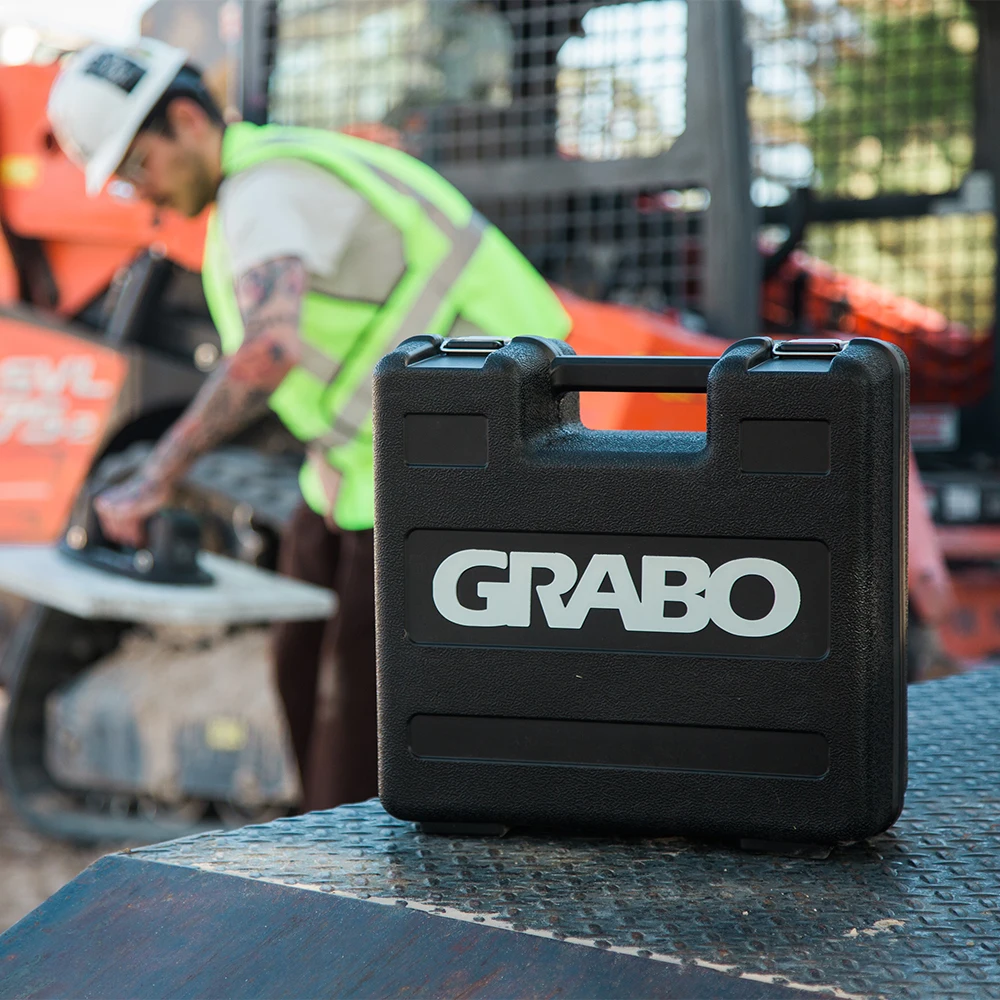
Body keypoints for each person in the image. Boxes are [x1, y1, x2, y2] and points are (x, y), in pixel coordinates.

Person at [47, 38, 571, 812]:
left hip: (463, 454)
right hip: (389, 461)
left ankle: (367, 878)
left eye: (137, 168)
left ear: (186, 119)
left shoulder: (267, 187)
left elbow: (269, 349)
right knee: (304, 658)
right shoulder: (271, 184)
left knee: (360, 721)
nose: (144, 195)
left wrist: (157, 475)